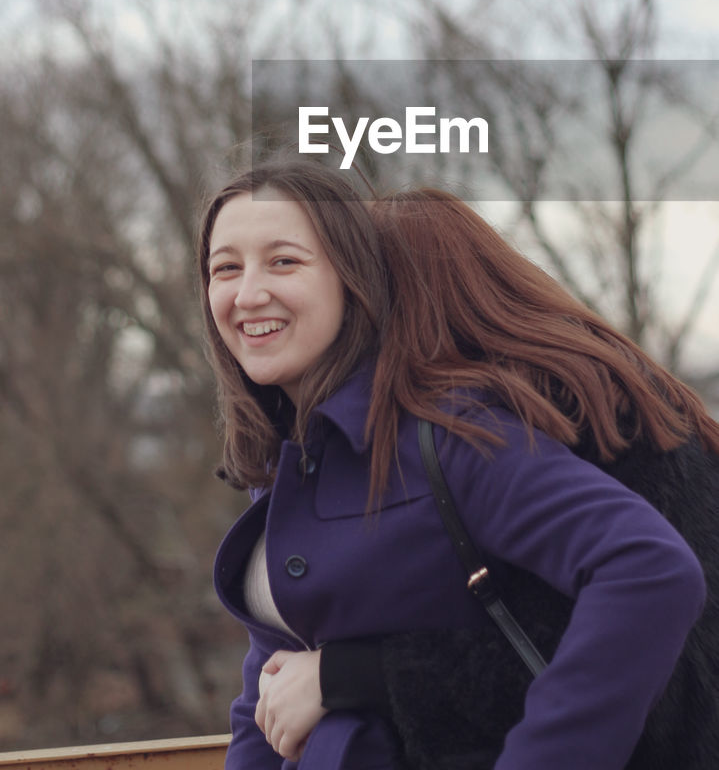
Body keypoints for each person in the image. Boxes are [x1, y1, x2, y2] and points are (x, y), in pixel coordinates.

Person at [198, 159, 717, 770]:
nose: (248, 291)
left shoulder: (451, 435)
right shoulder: (286, 465)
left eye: (284, 260)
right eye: (224, 267)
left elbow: (642, 576)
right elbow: (265, 691)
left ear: (356, 280)